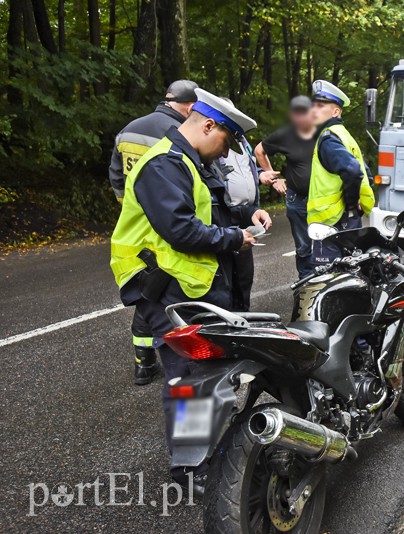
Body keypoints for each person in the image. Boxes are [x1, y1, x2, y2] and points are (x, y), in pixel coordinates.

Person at [109, 89, 270, 488]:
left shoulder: (190, 161)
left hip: (193, 289)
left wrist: (249, 213)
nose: (225, 151)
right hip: (169, 292)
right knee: (187, 379)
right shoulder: (163, 164)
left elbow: (216, 208)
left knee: (206, 376)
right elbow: (180, 229)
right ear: (208, 125)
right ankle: (188, 469)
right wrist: (235, 238)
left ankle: (205, 453)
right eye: (226, 142)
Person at [108, 79, 198, 386]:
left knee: (148, 293)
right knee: (162, 294)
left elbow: (116, 176)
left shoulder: (129, 129)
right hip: (165, 226)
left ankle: (144, 363)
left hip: (134, 227)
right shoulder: (175, 133)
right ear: (188, 106)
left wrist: (130, 210)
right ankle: (181, 372)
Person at [307, 80, 375, 266]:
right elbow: (365, 172)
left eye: (320, 106)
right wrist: (354, 207)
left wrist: (351, 202)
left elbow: (353, 170)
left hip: (331, 223)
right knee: (351, 272)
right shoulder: (344, 134)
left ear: (335, 112)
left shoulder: (328, 138)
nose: (314, 110)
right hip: (349, 221)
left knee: (328, 278)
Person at [253, 96, 316, 278]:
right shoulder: (286, 134)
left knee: (326, 244)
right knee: (304, 246)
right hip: (298, 200)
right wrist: (273, 179)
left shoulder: (324, 133)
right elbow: (259, 150)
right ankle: (306, 285)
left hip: (324, 199)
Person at [220, 135, 269, 311]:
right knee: (227, 278)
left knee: (244, 274)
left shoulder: (242, 141)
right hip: (223, 214)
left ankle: (243, 314)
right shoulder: (214, 140)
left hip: (246, 212)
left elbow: (250, 167)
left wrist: (262, 173)